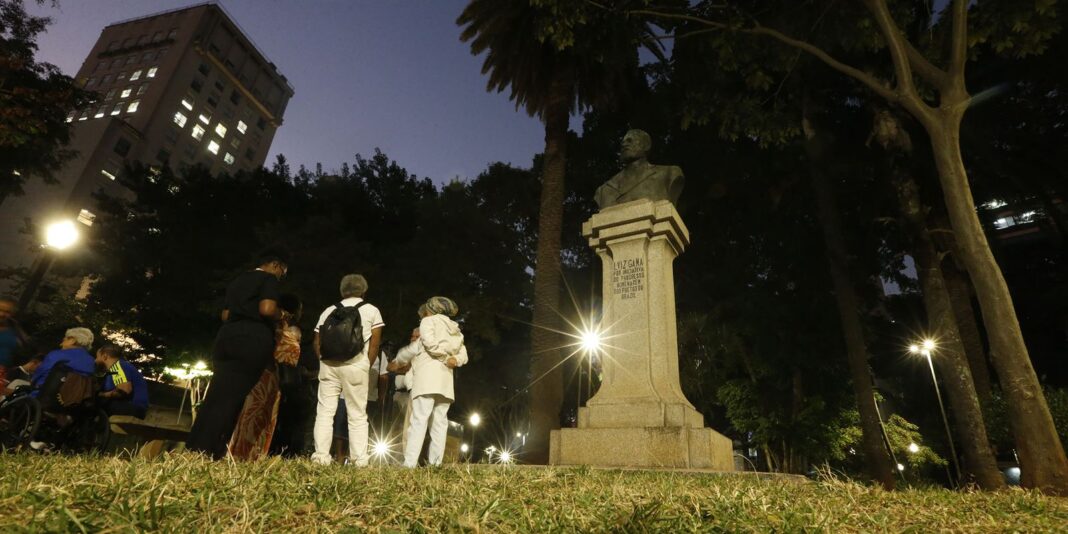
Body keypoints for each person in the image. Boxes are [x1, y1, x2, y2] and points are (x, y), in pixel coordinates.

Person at [186, 248, 288, 460]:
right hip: (251, 341)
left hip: (226, 338)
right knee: (233, 398)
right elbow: (267, 309)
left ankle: (194, 446)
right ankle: (209, 451)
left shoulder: (238, 281)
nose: (281, 277)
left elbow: (225, 315)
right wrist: (281, 314)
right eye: (283, 272)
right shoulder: (268, 280)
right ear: (276, 265)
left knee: (216, 394)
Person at [311, 274, 384, 466]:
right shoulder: (371, 310)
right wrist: (365, 364)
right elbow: (375, 343)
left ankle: (320, 457)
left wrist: (323, 359)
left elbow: (317, 340)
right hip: (356, 365)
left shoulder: (329, 310)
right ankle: (359, 460)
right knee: (357, 414)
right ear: (364, 291)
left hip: (329, 365)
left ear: (342, 291)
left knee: (325, 412)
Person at [390, 297, 468, 467]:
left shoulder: (428, 322)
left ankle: (409, 464)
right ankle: (435, 465)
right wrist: (454, 359)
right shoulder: (456, 330)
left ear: (431, 309)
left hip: (426, 379)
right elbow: (463, 355)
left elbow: (428, 344)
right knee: (440, 424)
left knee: (418, 421)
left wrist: (443, 356)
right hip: (445, 382)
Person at [228, 293, 302, 460]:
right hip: (267, 381)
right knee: (259, 420)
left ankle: (236, 453)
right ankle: (247, 457)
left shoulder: (267, 328)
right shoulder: (284, 334)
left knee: (248, 417)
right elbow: (290, 358)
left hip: (254, 377)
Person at [593, 129, 685, 210]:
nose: (624, 144)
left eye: (630, 140)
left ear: (647, 145)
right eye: (623, 142)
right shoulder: (604, 190)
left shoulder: (669, 174)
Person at [30, 327, 96, 389]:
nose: (61, 344)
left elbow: (36, 378)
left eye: (64, 340)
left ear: (72, 340)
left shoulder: (57, 355)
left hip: (40, 396)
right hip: (70, 399)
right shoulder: (92, 363)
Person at [95, 344, 149, 419]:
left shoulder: (118, 366)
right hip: (133, 408)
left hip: (131, 408)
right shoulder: (121, 366)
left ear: (105, 356)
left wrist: (102, 395)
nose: (96, 360)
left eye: (97, 357)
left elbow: (123, 391)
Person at [0, 297, 29, 390]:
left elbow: (24, 352)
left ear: (12, 314)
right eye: (0, 309)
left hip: (3, 375)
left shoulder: (16, 331)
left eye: (7, 312)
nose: (2, 314)